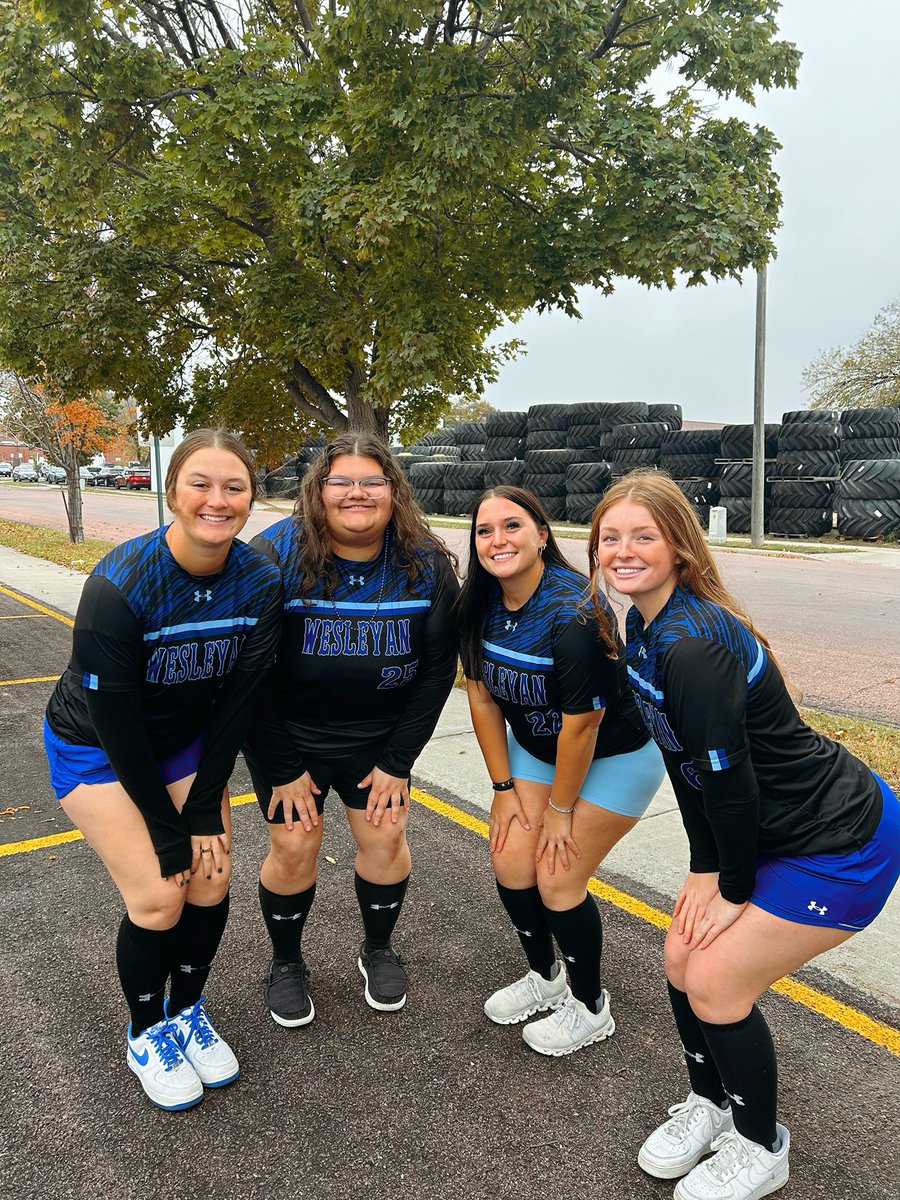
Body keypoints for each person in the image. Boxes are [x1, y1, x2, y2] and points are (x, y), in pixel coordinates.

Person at [589, 470, 900, 1200]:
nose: (624, 550)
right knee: (679, 953)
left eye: (644, 536)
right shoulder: (641, 624)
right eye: (611, 537)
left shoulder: (694, 647)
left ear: (680, 547)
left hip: (839, 839)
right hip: (763, 824)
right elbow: (683, 759)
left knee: (718, 980)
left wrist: (730, 887)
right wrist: (703, 867)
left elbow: (729, 784)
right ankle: (712, 1103)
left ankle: (762, 1146)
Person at [43, 429, 282, 1111]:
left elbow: (238, 702)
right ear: (172, 491)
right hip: (96, 746)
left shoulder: (259, 579)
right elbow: (114, 722)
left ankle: (186, 1011)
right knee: (159, 891)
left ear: (250, 498)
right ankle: (146, 1030)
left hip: (183, 742)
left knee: (210, 875)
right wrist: (166, 826)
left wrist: (205, 804)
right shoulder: (120, 583)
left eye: (234, 487)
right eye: (200, 484)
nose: (217, 499)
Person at [244, 433, 459, 1026]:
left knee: (386, 839)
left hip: (379, 739)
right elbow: (249, 673)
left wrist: (398, 760)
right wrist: (284, 767)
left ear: (394, 493)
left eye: (372, 481)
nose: (356, 493)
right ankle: (286, 962)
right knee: (293, 846)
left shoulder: (425, 561)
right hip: (292, 735)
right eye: (340, 482)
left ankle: (379, 948)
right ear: (318, 492)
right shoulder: (273, 556)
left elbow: (438, 668)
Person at [455, 486, 664, 1056]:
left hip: (614, 756)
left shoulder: (576, 612)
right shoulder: (478, 605)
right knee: (509, 858)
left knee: (557, 873)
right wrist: (502, 789)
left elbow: (583, 728)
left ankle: (590, 1006)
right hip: (537, 751)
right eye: (484, 530)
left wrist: (559, 812)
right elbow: (481, 699)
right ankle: (545, 976)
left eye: (512, 525)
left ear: (542, 536)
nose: (497, 539)